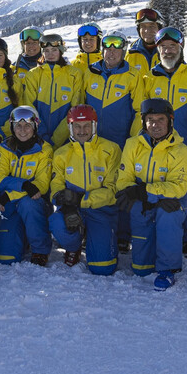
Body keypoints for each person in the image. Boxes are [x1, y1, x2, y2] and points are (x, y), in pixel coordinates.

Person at [115, 98, 187, 291]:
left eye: (160, 119)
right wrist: (145, 194)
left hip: (170, 202)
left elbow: (179, 187)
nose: (155, 124)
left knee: (169, 213)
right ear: (143, 122)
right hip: (144, 202)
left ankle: (167, 269)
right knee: (141, 269)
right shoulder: (133, 145)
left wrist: (146, 191)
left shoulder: (182, 150)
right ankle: (145, 256)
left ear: (170, 121)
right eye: (150, 119)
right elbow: (123, 180)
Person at [142, 27, 187, 258]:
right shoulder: (149, 77)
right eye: (163, 47)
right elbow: (141, 114)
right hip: (157, 147)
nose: (168, 51)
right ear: (157, 50)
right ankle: (164, 233)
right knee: (160, 189)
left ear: (181, 48)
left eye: (172, 47)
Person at [50, 105, 122, 274]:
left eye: (86, 126)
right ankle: (74, 246)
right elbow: (56, 188)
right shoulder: (61, 154)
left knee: (102, 269)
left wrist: (81, 199)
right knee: (56, 222)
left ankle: (98, 240)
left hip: (100, 210)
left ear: (94, 126)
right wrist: (67, 207)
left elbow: (113, 190)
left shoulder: (111, 150)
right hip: (72, 210)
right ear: (70, 128)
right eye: (77, 126)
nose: (82, 131)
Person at [0, 106, 54, 265]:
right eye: (18, 126)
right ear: (12, 127)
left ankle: (40, 249)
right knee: (6, 258)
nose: (23, 130)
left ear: (35, 126)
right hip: (9, 205)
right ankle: (22, 236)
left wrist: (11, 194)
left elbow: (42, 185)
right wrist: (25, 185)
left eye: (27, 125)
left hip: (34, 204)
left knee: (28, 203)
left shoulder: (44, 149)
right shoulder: (5, 147)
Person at [21, 34, 84, 146]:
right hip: (39, 138)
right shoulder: (33, 74)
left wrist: (57, 139)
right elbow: (29, 107)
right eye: (46, 50)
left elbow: (75, 108)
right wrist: (42, 135)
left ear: (60, 51)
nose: (50, 54)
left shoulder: (74, 74)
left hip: (66, 138)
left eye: (54, 50)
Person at [84, 34, 143, 147]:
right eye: (108, 49)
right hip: (92, 142)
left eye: (116, 50)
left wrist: (132, 140)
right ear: (103, 50)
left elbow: (139, 111)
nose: (112, 53)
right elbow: (80, 104)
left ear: (123, 52)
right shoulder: (91, 72)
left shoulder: (133, 75)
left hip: (119, 142)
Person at [125, 8, 162, 77]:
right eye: (143, 26)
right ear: (139, 30)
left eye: (152, 26)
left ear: (159, 28)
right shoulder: (130, 56)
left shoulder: (168, 53)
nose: (147, 31)